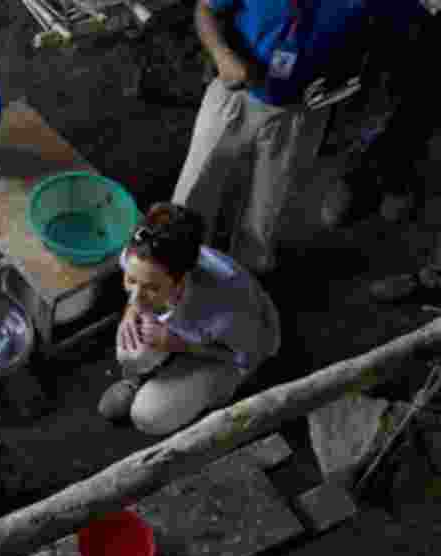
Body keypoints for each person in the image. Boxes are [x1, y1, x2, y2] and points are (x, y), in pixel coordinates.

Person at [173, 0, 381, 276]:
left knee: (269, 206)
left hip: (303, 109)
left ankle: (244, 280)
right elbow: (206, 9)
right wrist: (222, 56)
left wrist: (347, 80)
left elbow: (382, 40)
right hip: (236, 95)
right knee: (196, 189)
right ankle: (174, 267)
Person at [98, 203, 281, 435]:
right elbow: (139, 289)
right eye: (131, 280)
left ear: (182, 279)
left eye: (151, 288)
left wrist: (180, 344)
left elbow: (245, 356)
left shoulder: (228, 308)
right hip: (182, 323)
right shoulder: (140, 254)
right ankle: (134, 380)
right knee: (130, 351)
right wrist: (129, 314)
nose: (135, 298)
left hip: (227, 353)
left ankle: (202, 391)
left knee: (147, 416)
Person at [322, 0, 440, 228]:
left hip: (422, 60)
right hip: (388, 41)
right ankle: (364, 179)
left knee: (413, 120)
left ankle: (395, 179)